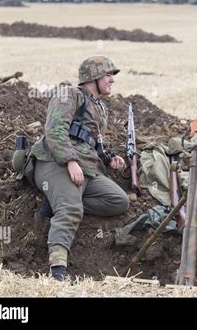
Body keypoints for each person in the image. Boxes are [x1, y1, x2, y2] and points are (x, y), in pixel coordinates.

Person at [30, 56, 130, 281]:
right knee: (71, 210)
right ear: (93, 76)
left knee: (118, 200)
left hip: (87, 166)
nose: (112, 79)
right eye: (108, 74)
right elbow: (54, 130)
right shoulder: (69, 94)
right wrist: (70, 161)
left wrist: (109, 157)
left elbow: (94, 140)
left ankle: (57, 199)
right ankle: (58, 269)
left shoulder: (99, 106)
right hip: (55, 162)